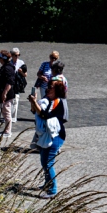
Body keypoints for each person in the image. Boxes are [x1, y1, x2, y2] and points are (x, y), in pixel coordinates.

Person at [35, 62, 69, 198]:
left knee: (48, 162)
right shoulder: (48, 100)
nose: (48, 89)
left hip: (56, 137)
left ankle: (53, 190)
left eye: (50, 88)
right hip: (46, 135)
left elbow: (45, 115)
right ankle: (47, 183)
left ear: (57, 91)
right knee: (44, 161)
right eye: (48, 87)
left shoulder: (58, 103)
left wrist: (34, 104)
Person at [0, 50, 16, 138]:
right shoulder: (6, 66)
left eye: (0, 58)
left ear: (3, 59)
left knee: (6, 112)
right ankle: (6, 130)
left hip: (7, 94)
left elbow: (10, 82)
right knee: (5, 111)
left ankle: (7, 131)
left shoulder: (8, 68)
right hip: (4, 93)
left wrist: (5, 93)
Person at [10, 48, 26, 124]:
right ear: (11, 55)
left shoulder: (21, 62)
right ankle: (8, 116)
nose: (17, 57)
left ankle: (13, 117)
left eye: (18, 55)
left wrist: (21, 72)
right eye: (15, 55)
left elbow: (25, 75)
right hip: (10, 83)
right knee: (9, 101)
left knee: (15, 100)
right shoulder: (9, 63)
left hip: (17, 84)